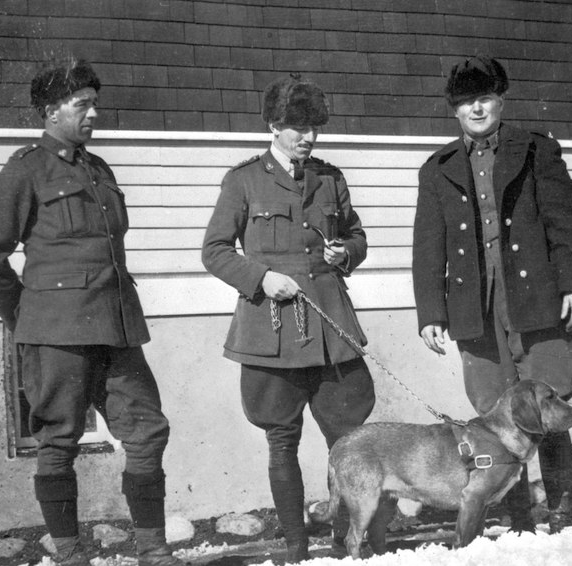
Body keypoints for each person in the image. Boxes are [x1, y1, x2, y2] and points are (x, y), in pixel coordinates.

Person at [0, 59, 181, 566]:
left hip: (116, 327)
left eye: (94, 104)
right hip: (56, 334)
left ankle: (152, 548)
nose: (93, 114)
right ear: (50, 111)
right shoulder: (25, 170)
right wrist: (27, 314)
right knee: (59, 440)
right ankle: (69, 554)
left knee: (148, 430)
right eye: (82, 105)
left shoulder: (98, 170)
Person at [412, 55, 572, 534]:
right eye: (466, 101)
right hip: (476, 308)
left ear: (502, 99)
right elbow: (427, 246)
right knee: (494, 410)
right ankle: (518, 518)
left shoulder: (537, 150)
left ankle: (560, 513)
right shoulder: (438, 169)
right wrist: (431, 311)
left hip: (538, 299)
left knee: (549, 405)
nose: (477, 108)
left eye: (485, 98)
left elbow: (568, 222)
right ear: (454, 109)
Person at [201, 74, 375, 563]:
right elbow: (215, 251)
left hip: (330, 327)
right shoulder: (244, 181)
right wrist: (260, 278)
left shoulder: (330, 177)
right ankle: (296, 548)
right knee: (282, 439)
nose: (307, 137)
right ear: (274, 126)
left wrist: (346, 254)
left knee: (346, 441)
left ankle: (347, 543)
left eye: (313, 128)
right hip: (270, 328)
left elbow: (357, 236)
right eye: (297, 127)